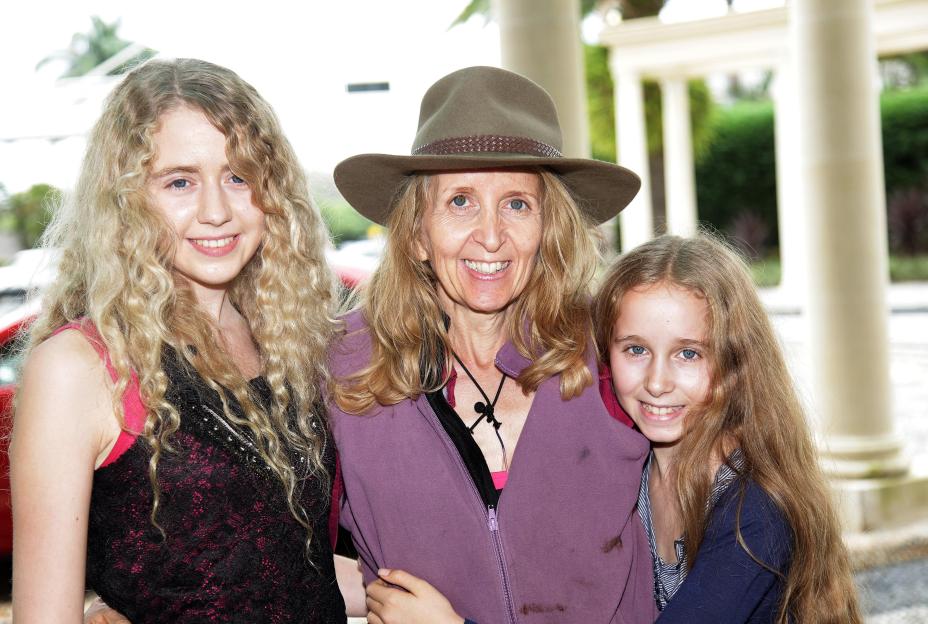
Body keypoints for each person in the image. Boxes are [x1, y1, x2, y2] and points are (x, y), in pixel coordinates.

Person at [11, 58, 355, 622]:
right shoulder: (80, 367)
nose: (217, 211)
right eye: (179, 182)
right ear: (125, 201)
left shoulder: (291, 343)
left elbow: (283, 561)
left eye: (239, 177)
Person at [329, 66, 656, 624]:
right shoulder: (344, 372)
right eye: (460, 201)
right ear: (415, 234)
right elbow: (296, 565)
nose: (490, 235)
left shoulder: (617, 351)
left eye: (517, 203)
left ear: (548, 227)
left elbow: (717, 513)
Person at [590, 234, 862, 623]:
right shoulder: (627, 474)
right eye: (636, 349)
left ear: (736, 365)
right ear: (605, 355)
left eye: (689, 353)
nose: (657, 381)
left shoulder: (754, 513)